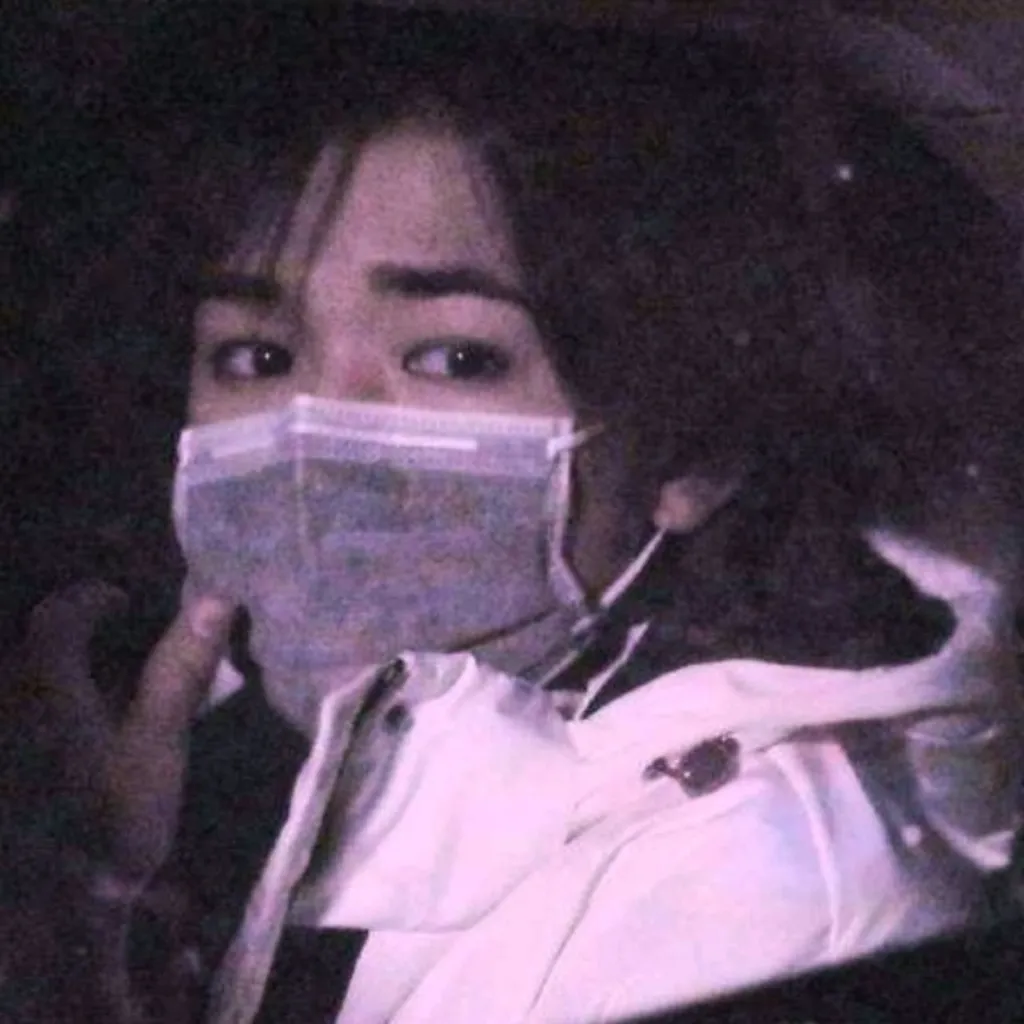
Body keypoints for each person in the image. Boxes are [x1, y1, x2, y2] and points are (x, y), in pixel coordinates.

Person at [7, 6, 1021, 1023]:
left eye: (455, 356)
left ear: (691, 457)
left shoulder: (745, 908)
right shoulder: (312, 800)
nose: (317, 429)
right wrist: (93, 907)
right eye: (259, 355)